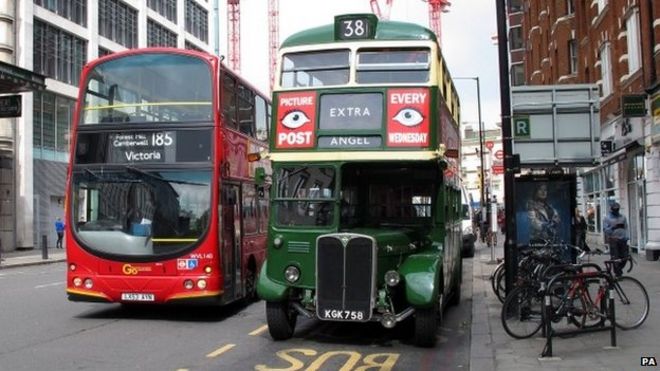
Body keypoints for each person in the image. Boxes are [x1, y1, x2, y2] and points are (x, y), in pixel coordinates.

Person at [603, 202, 629, 276]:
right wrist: (613, 227)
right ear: (611, 209)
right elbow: (605, 230)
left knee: (625, 256)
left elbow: (626, 227)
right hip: (613, 240)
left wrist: (627, 237)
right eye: (614, 210)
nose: (616, 211)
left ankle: (619, 268)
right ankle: (617, 272)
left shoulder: (623, 217)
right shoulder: (607, 218)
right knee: (615, 257)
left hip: (623, 239)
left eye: (617, 210)